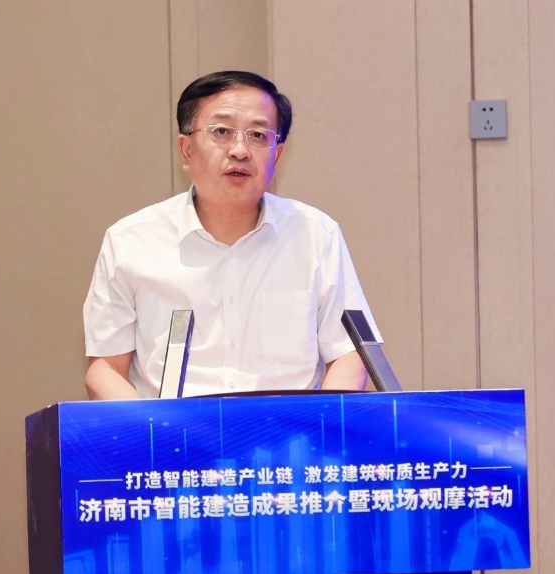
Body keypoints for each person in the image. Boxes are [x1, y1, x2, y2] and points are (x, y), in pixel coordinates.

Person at [83, 71, 381, 400]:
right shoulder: (130, 241)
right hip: (175, 430)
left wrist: (318, 426)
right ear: (186, 150)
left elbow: (350, 355)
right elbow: (106, 368)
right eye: (222, 131)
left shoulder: (316, 235)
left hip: (288, 430)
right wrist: (152, 428)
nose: (240, 150)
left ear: (276, 155)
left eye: (258, 135)